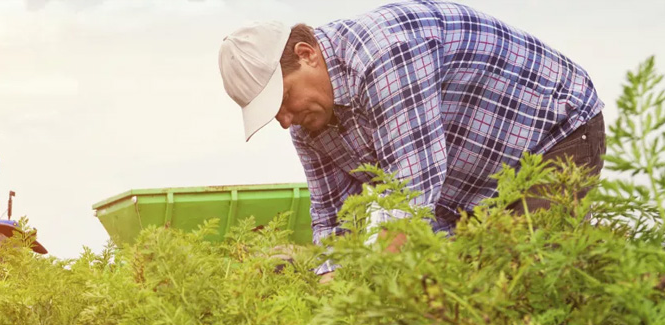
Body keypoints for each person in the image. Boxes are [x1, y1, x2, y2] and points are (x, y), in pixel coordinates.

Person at [218, 2, 605, 260]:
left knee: (531, 283)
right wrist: (331, 286)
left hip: (551, 135)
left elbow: (411, 196)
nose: (284, 120)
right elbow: (334, 222)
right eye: (273, 113)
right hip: (467, 188)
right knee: (456, 301)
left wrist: (375, 289)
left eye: (284, 99)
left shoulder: (385, 54)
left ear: (307, 55)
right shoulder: (308, 122)